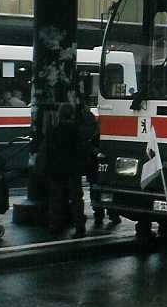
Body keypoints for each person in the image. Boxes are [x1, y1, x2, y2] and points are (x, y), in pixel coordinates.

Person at [46, 102, 86, 237]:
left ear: (59, 114)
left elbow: (49, 150)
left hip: (57, 169)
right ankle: (79, 225)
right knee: (76, 198)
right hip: (73, 169)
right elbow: (81, 150)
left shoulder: (55, 130)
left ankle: (56, 225)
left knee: (57, 198)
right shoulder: (77, 130)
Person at [80, 101, 120, 227]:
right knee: (107, 186)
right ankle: (113, 214)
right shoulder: (95, 122)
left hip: (91, 161)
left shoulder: (81, 123)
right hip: (102, 159)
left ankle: (98, 213)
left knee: (94, 188)